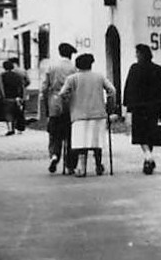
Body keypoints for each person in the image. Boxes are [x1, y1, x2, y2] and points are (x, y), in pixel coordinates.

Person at [59, 53, 116, 177]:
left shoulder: (72, 78)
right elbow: (112, 90)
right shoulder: (99, 77)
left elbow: (62, 93)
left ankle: (82, 168)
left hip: (78, 115)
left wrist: (68, 102)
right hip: (98, 113)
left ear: (78, 65)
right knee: (96, 141)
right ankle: (98, 165)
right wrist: (110, 106)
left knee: (81, 143)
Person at [122, 44, 161, 175]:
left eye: (137, 53)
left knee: (140, 134)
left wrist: (128, 108)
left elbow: (129, 89)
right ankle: (148, 159)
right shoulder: (158, 69)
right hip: (153, 108)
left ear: (140, 54)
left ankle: (148, 156)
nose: (136, 55)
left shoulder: (135, 69)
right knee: (150, 133)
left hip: (139, 108)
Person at [41, 43, 77, 173]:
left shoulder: (52, 66)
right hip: (70, 104)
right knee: (70, 135)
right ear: (70, 54)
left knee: (54, 133)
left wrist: (46, 103)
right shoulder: (74, 68)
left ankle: (54, 155)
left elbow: (44, 87)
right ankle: (70, 164)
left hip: (54, 103)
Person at [1, 59, 27, 134]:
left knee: (8, 113)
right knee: (18, 112)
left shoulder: (3, 76)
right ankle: (19, 128)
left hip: (7, 96)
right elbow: (21, 86)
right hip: (16, 97)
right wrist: (20, 96)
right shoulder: (17, 76)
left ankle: (10, 129)